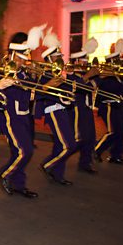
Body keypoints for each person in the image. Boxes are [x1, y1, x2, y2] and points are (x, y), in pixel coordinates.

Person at [0, 28, 42, 199]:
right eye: (21, 58)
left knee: (20, 152)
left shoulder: (23, 72)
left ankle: (19, 184)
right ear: (14, 54)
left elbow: (31, 94)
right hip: (11, 115)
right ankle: (5, 174)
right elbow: (11, 94)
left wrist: (38, 82)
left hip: (24, 115)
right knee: (25, 151)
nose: (24, 62)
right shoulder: (5, 71)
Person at [37, 30, 76, 185]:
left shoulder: (59, 73)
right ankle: (48, 165)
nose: (60, 57)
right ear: (49, 59)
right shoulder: (45, 74)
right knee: (69, 145)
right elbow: (43, 92)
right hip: (52, 109)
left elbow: (68, 92)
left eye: (60, 55)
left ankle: (58, 174)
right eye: (57, 56)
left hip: (62, 109)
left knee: (61, 144)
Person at [67, 37, 99, 173]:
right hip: (75, 109)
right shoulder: (71, 75)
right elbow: (76, 88)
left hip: (86, 109)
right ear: (76, 62)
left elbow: (96, 87)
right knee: (76, 140)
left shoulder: (86, 75)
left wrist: (94, 76)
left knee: (91, 137)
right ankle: (56, 160)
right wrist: (87, 77)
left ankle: (85, 163)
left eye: (86, 61)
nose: (86, 64)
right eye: (83, 61)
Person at [94, 39, 123, 165]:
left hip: (121, 104)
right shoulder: (106, 70)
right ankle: (95, 150)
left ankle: (116, 155)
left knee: (121, 131)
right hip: (108, 104)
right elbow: (107, 87)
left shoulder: (122, 68)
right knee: (113, 130)